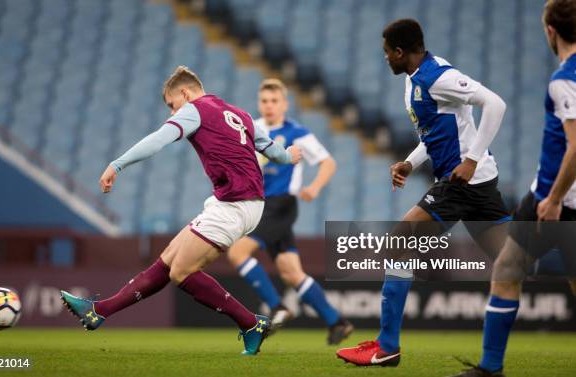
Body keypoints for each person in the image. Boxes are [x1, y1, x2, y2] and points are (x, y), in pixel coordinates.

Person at [60, 66, 302, 356]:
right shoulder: (241, 115)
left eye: (173, 106)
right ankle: (98, 311)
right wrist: (289, 157)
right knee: (168, 261)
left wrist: (117, 164)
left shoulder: (195, 109)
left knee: (182, 272)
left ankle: (251, 323)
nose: (173, 114)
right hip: (237, 202)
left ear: (185, 94)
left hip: (236, 205)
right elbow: (272, 150)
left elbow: (158, 140)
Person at [336, 18, 511, 366]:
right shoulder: (415, 80)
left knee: (397, 246)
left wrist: (472, 160)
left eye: (387, 53)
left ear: (400, 52)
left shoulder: (437, 76)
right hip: (476, 185)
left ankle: (387, 348)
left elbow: (496, 104)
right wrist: (409, 163)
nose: (385, 59)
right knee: (516, 263)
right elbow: (435, 133)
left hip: (461, 183)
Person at [449, 1, 576, 376]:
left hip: (558, 199)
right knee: (508, 266)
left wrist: (553, 199)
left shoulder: (565, 79)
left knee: (510, 269)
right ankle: (490, 368)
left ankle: (490, 368)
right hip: (547, 194)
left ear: (550, 31)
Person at [226, 78, 353, 344]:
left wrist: (315, 187)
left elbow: (328, 162)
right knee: (290, 272)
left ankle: (276, 307)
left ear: (284, 104)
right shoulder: (252, 128)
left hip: (281, 204)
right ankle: (336, 322)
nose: (269, 106)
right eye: (264, 101)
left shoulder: (297, 132)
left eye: (274, 101)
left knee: (237, 251)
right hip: (261, 204)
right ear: (259, 103)